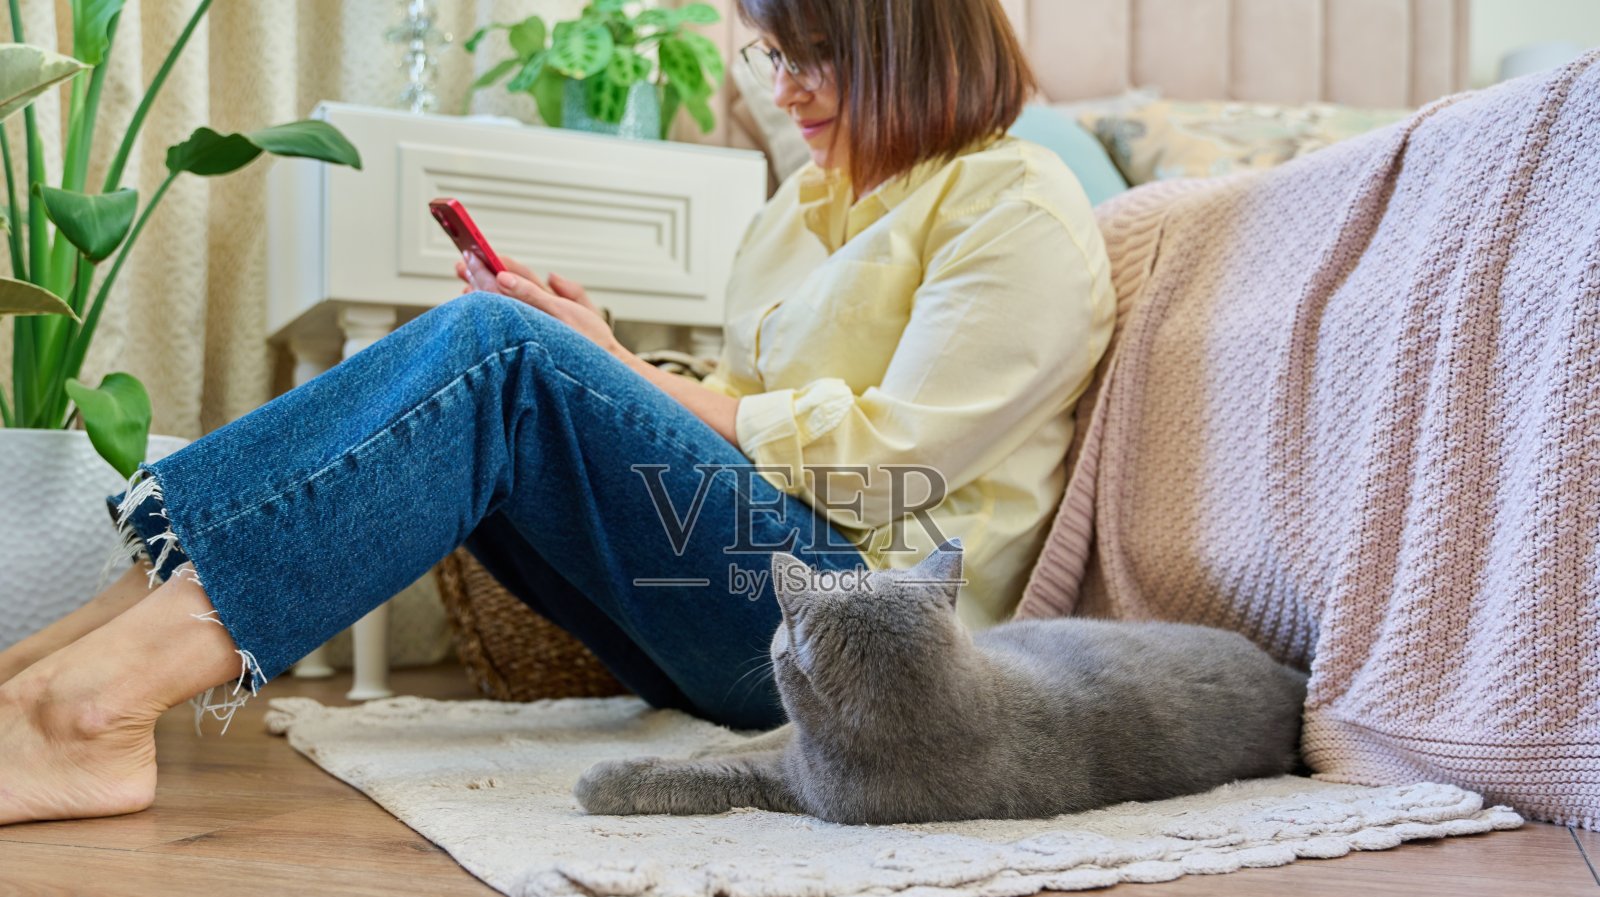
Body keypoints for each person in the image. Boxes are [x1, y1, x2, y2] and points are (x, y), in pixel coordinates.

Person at [0, 0, 1114, 826]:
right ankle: (43, 672)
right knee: (491, 364)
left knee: (501, 356)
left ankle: (84, 714)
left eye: (817, 53)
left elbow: (899, 458)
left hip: (870, 632)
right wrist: (620, 358)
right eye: (773, 53)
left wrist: (613, 372)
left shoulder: (1017, 200)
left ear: (917, 40)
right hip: (738, 603)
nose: (785, 89)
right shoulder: (801, 214)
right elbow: (740, 419)